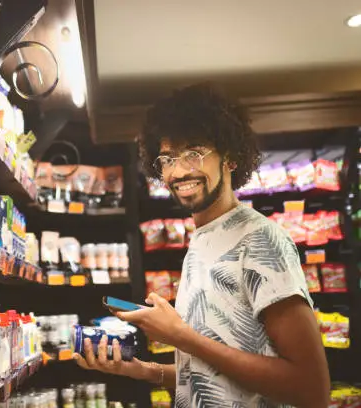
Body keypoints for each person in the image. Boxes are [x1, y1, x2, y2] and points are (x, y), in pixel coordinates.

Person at [73, 83, 330, 408]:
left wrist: (180, 336)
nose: (178, 171)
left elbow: (311, 389)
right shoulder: (202, 238)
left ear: (231, 158)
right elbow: (212, 375)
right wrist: (142, 370)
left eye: (194, 153)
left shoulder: (260, 239)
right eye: (167, 158)